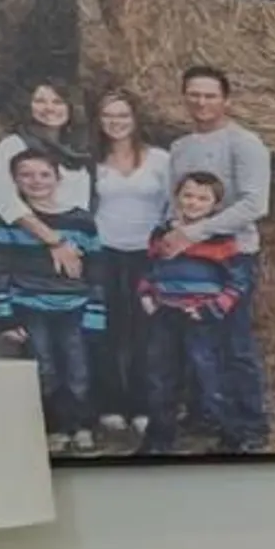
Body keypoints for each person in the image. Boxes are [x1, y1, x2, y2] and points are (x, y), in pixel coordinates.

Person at [156, 63, 275, 452]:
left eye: (210, 95)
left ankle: (250, 426)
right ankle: (207, 415)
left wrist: (195, 232)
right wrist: (170, 234)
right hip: (186, 259)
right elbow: (174, 199)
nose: (201, 102)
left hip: (230, 258)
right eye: (194, 94)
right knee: (191, 342)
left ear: (226, 99)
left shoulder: (244, 143)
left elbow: (254, 205)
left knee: (233, 343)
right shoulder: (180, 147)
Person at [0, 149, 102, 448]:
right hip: (30, 306)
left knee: (78, 367)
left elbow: (96, 268)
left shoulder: (81, 220)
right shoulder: (11, 223)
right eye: (26, 175)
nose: (36, 181)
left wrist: (96, 311)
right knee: (43, 366)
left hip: (74, 306)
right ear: (15, 181)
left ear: (58, 178)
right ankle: (55, 427)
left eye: (43, 174)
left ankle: (82, 425)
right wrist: (5, 315)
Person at [137, 168, 255, 452]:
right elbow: (151, 267)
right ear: (177, 197)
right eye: (188, 196)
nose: (193, 203)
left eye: (203, 199)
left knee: (210, 375)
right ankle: (159, 440)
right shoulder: (162, 233)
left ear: (215, 205)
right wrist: (146, 294)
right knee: (160, 377)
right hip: (165, 313)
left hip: (201, 317)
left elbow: (238, 282)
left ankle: (233, 437)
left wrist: (212, 309)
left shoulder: (221, 239)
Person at [81, 87, 172, 445]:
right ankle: (111, 404)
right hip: (104, 252)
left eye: (122, 115)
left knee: (145, 332)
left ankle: (143, 405)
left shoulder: (160, 160)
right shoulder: (91, 162)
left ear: (135, 119)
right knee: (108, 330)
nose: (115, 122)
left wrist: (165, 243)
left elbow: (173, 205)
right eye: (108, 116)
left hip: (147, 254)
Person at [0, 79, 92, 289]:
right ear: (29, 106)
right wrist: (54, 241)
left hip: (72, 243)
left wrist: (75, 244)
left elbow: (81, 202)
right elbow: (5, 201)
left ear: (70, 108)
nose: (49, 108)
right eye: (40, 101)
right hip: (30, 244)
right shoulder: (14, 144)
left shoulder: (77, 149)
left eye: (58, 102)